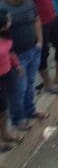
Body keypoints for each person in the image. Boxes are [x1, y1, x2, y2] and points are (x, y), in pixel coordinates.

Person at [1, 0, 47, 131]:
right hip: (16, 57)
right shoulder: (3, 11)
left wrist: (39, 41)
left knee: (30, 83)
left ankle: (30, 110)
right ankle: (18, 118)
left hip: (33, 50)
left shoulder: (29, 2)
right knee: (17, 90)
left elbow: (36, 20)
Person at [0, 9, 22, 150]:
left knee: (3, 108)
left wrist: (17, 65)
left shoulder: (6, 35)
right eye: (8, 20)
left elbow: (10, 52)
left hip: (7, 74)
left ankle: (5, 133)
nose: (10, 21)